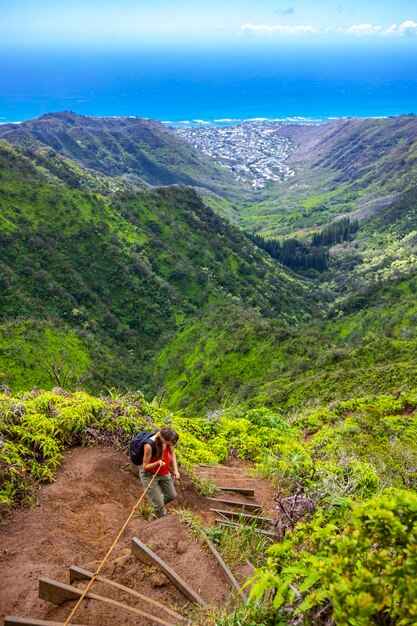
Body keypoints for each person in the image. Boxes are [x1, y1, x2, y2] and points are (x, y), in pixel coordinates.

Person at [139, 427, 180, 518]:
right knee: (158, 506)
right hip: (149, 474)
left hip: (164, 471)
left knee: (171, 495)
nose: (171, 444)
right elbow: (145, 466)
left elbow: (172, 454)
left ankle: (156, 506)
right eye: (170, 443)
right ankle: (155, 517)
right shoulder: (149, 445)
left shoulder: (169, 440)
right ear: (163, 439)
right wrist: (158, 463)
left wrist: (176, 470)